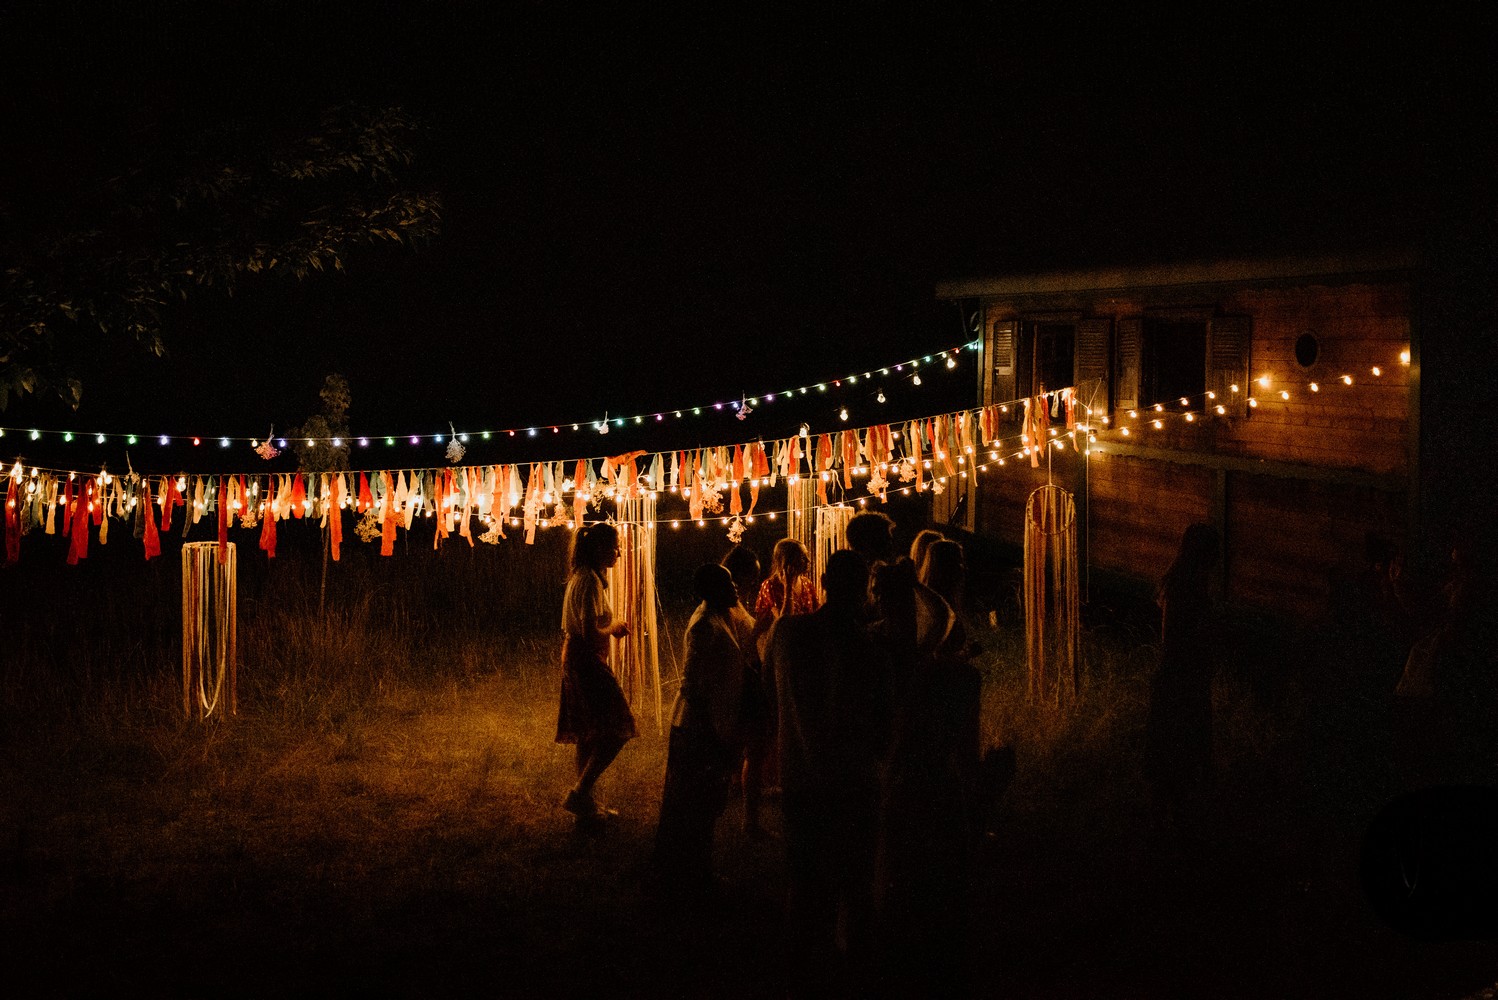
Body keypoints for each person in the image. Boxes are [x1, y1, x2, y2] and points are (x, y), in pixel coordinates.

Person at [767, 549, 893, 999]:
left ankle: (798, 971)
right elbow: (880, 726)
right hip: (849, 782)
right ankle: (853, 972)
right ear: (863, 592)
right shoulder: (866, 647)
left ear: (821, 580)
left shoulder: (786, 634)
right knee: (855, 885)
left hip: (798, 778)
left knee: (804, 884)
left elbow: (769, 697)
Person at [651, 564, 747, 896]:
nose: (735, 587)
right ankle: (690, 877)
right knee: (694, 806)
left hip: (708, 723)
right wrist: (714, 731)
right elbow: (693, 682)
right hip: (697, 726)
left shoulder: (720, 617)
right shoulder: (706, 626)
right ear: (711, 591)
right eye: (727, 583)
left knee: (702, 805)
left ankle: (693, 872)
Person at [555, 522, 635, 826]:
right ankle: (580, 793)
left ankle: (584, 808)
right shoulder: (587, 581)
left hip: (581, 658)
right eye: (614, 546)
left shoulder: (587, 578)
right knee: (619, 727)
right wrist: (612, 629)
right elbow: (589, 632)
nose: (618, 552)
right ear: (599, 549)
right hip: (585, 659)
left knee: (588, 733)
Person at [1143, 523, 1220, 834]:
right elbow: (1177, 638)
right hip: (1182, 679)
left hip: (1179, 677)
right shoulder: (1187, 588)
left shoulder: (1184, 582)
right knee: (1179, 750)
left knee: (1173, 752)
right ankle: (1171, 823)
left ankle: (1169, 819)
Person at [722, 545, 774, 839]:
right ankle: (750, 821)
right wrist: (761, 628)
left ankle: (746, 814)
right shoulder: (728, 607)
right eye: (751, 575)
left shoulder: (738, 602)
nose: (755, 581)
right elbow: (735, 648)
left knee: (750, 750)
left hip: (748, 680)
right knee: (754, 751)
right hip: (743, 683)